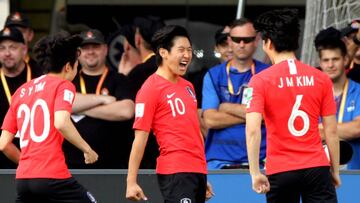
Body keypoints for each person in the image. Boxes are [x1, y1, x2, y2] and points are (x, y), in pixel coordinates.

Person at [246, 9, 340, 203]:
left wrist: (255, 173)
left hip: (281, 169)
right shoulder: (321, 78)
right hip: (316, 167)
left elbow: (253, 130)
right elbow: (331, 130)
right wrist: (335, 170)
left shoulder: (259, 81)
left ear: (267, 44)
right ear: (296, 41)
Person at [0, 31, 98, 203]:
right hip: (53, 176)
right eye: (77, 66)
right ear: (68, 66)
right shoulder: (63, 85)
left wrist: (29, 165)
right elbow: (61, 122)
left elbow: (3, 144)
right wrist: (87, 149)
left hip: (24, 179)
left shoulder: (21, 91)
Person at [126, 25, 213, 202]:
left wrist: (202, 173)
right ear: (164, 52)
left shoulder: (188, 86)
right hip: (176, 171)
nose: (187, 55)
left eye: (189, 50)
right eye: (181, 50)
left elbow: (194, 131)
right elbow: (140, 138)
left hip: (197, 172)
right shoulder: (150, 88)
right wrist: (131, 181)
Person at [202, 18, 269, 169]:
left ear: (257, 40)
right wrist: (252, 114)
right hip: (219, 161)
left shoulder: (268, 74)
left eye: (247, 39)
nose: (241, 44)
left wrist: (225, 107)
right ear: (229, 41)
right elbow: (211, 120)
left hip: (261, 160)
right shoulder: (213, 75)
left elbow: (269, 115)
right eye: (237, 39)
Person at [62, 29, 134, 169]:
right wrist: (102, 99)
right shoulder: (68, 79)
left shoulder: (119, 79)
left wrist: (80, 108)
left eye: (95, 47)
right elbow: (60, 103)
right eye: (85, 48)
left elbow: (126, 111)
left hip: (111, 166)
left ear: (106, 49)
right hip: (71, 166)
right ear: (78, 53)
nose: (90, 52)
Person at [315, 27, 360, 169]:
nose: (330, 65)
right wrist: (342, 129)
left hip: (354, 173)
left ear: (345, 59)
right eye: (326, 60)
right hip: (319, 173)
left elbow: (357, 128)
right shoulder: (312, 94)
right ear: (320, 63)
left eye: (335, 59)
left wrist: (322, 129)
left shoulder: (358, 90)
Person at [0, 27, 43, 168]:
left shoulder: (40, 75)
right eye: (2, 48)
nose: (7, 53)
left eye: (12, 47)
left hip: (39, 159)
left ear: (24, 50)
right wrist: (27, 165)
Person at [126, 16, 165, 169]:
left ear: (137, 39)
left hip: (144, 155)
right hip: (170, 152)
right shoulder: (174, 72)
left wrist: (124, 77)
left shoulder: (138, 74)